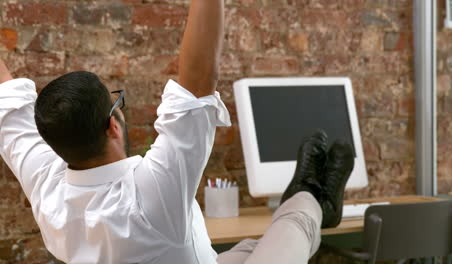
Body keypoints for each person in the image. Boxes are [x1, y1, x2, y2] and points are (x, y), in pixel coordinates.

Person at [0, 0, 354, 263]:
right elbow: (199, 82)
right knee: (294, 224)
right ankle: (313, 195)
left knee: (249, 249)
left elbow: (6, 99)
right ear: (112, 125)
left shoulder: (45, 186)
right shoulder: (149, 195)